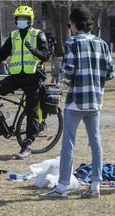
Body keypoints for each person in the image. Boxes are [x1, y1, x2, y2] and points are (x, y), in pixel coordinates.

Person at [40, 5, 114, 199]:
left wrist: (65, 79)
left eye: (70, 24)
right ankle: (95, 185)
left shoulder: (73, 42)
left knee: (69, 142)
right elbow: (110, 73)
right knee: (95, 141)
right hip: (95, 99)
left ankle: (62, 186)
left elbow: (69, 71)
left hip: (76, 101)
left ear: (73, 23)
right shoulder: (102, 43)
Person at [0, 5, 50, 159]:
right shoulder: (13, 36)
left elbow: (46, 55)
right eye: (18, 18)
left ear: (30, 20)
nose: (21, 21)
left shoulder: (37, 34)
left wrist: (34, 51)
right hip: (16, 76)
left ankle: (27, 144)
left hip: (33, 77)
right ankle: (0, 124)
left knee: (31, 110)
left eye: (24, 18)